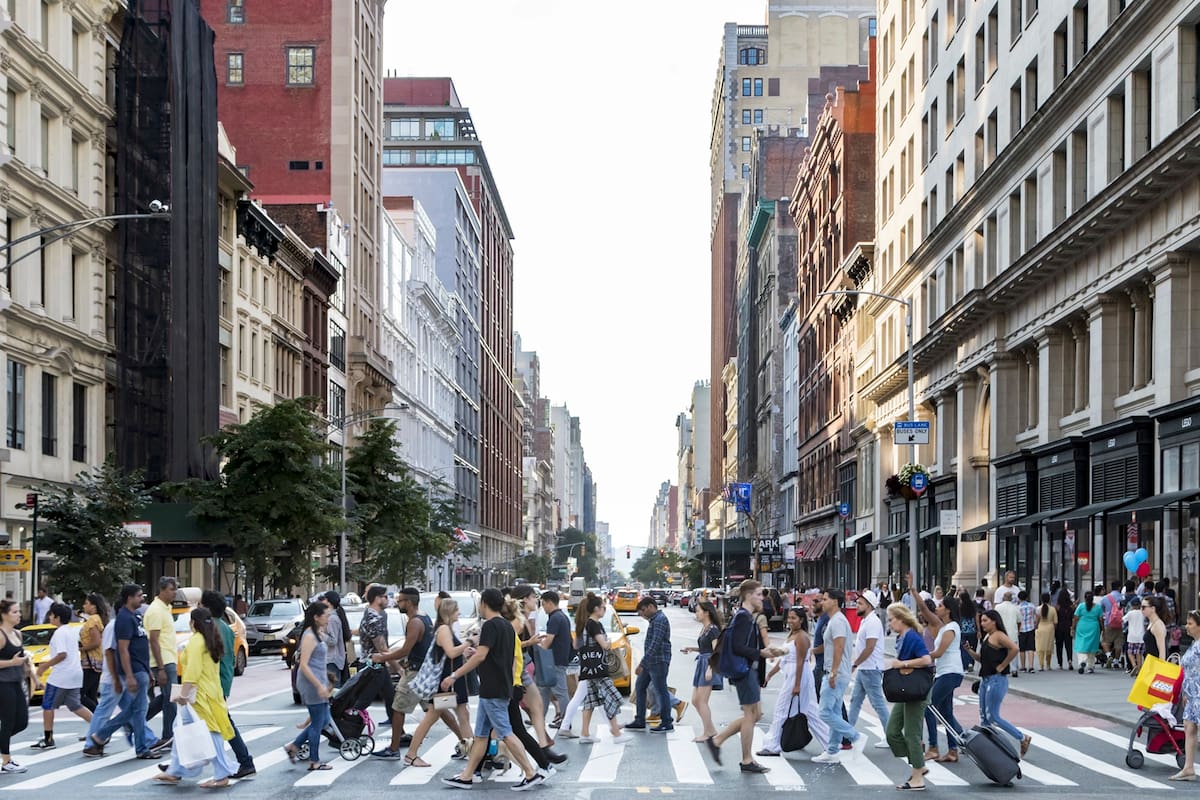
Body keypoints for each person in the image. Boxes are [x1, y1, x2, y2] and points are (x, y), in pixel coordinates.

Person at [440, 588, 543, 790]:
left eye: (480, 603)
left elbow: (481, 656)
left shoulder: (490, 626)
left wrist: (454, 675)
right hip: (498, 687)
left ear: (484, 604)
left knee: (506, 733)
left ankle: (531, 773)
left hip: (493, 689)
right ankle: (467, 775)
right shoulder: (506, 626)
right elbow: (500, 657)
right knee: (480, 736)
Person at [153, 608, 237, 787]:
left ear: (193, 623)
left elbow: (193, 671)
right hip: (210, 693)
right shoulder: (211, 640)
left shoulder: (196, 642)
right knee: (181, 729)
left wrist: (184, 694)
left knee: (210, 733)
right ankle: (175, 770)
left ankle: (221, 774)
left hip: (199, 696)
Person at [703, 580, 778, 773]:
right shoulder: (743, 617)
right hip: (744, 670)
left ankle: (718, 740)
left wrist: (764, 651)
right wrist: (761, 653)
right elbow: (738, 647)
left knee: (755, 714)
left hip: (747, 670)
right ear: (748, 595)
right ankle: (746, 759)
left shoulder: (745, 616)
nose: (763, 598)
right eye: (759, 594)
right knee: (750, 715)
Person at [84, 584, 160, 758]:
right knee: (133, 711)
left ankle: (102, 737)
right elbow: (119, 650)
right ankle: (101, 738)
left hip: (138, 671)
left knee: (135, 710)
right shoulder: (122, 620)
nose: (142, 599)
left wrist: (147, 670)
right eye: (139, 596)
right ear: (129, 598)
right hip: (128, 673)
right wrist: (126, 677)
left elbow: (140, 646)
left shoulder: (135, 617)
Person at [403, 597, 474, 768]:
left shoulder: (445, 629)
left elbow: (448, 654)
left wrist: (465, 651)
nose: (460, 613)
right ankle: (411, 755)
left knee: (463, 715)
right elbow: (450, 653)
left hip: (451, 680)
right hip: (446, 681)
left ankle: (473, 754)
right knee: (432, 717)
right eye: (457, 610)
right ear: (450, 612)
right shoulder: (443, 629)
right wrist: (468, 642)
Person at [759, 606, 829, 756]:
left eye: (793, 618)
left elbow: (800, 662)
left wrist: (796, 685)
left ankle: (772, 745)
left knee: (781, 709)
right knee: (810, 711)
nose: (790, 621)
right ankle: (831, 743)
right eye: (789, 618)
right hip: (793, 674)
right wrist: (770, 674)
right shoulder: (792, 634)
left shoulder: (802, 637)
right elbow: (784, 659)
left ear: (801, 620)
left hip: (798, 675)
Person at [200, 591, 256, 779]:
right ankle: (181, 765)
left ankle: (245, 761)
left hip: (213, 681)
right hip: (222, 679)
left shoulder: (211, 628)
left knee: (222, 723)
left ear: (207, 607)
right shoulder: (224, 626)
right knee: (206, 722)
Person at [966, 609, 1031, 756]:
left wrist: (1003, 665)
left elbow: (1014, 648)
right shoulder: (988, 637)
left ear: (994, 621)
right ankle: (986, 747)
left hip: (996, 680)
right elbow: (982, 659)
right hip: (985, 679)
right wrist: (969, 651)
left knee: (993, 716)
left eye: (985, 620)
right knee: (984, 717)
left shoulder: (999, 635)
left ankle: (1022, 737)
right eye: (981, 621)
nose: (982, 624)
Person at [510, 587, 564, 761]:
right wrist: (529, 642)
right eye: (534, 598)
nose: (536, 601)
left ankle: (544, 746)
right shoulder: (518, 621)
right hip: (516, 670)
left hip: (522, 668)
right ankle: (492, 752)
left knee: (537, 706)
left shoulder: (524, 618)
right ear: (524, 600)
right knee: (502, 717)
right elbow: (509, 645)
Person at [811, 588, 865, 763]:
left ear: (834, 601)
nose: (822, 602)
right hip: (836, 671)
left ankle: (855, 736)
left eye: (825, 599)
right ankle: (832, 750)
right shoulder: (836, 620)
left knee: (825, 712)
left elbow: (839, 647)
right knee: (834, 711)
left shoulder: (838, 622)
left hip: (835, 672)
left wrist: (833, 672)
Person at [883, 603, 933, 791]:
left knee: (912, 733)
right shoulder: (902, 637)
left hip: (917, 690)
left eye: (891, 619)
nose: (890, 623)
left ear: (901, 618)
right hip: (907, 690)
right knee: (892, 732)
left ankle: (918, 776)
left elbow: (927, 660)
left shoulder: (911, 636)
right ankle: (919, 763)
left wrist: (901, 664)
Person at [30, 602, 92, 749]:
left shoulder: (59, 633)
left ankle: (48, 739)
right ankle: (100, 730)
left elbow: (62, 654)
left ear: (57, 617)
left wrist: (45, 666)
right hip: (75, 674)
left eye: (51, 615)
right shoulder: (70, 631)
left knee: (47, 705)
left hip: (61, 675)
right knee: (75, 705)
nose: (50, 617)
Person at [574, 595, 633, 745]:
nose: (604, 610)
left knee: (591, 701)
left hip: (588, 668)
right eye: (603, 607)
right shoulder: (595, 624)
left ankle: (585, 733)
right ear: (596, 609)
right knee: (610, 698)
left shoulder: (584, 624)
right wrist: (609, 642)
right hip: (599, 668)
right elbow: (604, 645)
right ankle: (616, 732)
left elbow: (576, 645)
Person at [285, 601, 334, 771]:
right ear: (316, 617)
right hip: (311, 683)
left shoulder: (317, 633)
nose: (329, 618)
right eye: (326, 615)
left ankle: (294, 746)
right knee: (318, 722)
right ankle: (314, 760)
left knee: (324, 720)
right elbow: (304, 665)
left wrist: (325, 683)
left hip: (319, 681)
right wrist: (319, 686)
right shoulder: (309, 636)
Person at [916, 593, 964, 763]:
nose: (937, 608)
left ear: (948, 610)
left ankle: (933, 747)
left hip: (951, 672)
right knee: (946, 712)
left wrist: (918, 659)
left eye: (941, 606)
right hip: (945, 672)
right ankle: (952, 750)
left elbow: (939, 652)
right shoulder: (944, 627)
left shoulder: (952, 627)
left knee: (928, 705)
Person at [626, 596, 683, 733]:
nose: (642, 614)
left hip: (658, 661)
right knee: (640, 686)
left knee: (661, 690)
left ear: (651, 606)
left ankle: (666, 721)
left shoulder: (660, 620)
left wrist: (642, 663)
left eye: (643, 610)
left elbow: (655, 644)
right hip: (652, 661)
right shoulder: (654, 620)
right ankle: (640, 719)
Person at [846, 588, 891, 739]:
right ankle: (848, 734)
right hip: (865, 668)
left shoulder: (873, 621)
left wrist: (855, 664)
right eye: (857, 603)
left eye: (860, 603)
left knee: (877, 704)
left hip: (870, 668)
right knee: (855, 701)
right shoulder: (867, 620)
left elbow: (870, 647)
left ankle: (891, 736)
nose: (857, 606)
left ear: (869, 605)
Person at [679, 600, 723, 742]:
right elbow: (706, 648)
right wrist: (692, 649)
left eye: (698, 611)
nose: (696, 613)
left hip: (709, 664)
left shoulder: (713, 629)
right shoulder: (705, 628)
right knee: (695, 700)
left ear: (706, 613)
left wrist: (710, 669)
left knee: (702, 701)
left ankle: (707, 732)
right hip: (703, 663)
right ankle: (710, 729)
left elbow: (716, 651)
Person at [144, 576, 180, 748]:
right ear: (163, 590)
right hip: (163, 661)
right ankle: (168, 736)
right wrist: (160, 668)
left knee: (166, 698)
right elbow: (154, 640)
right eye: (172, 589)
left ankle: (137, 722)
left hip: (169, 658)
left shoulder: (166, 608)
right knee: (171, 699)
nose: (175, 592)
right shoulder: (156, 610)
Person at [0, 599, 33, 773]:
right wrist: (11, 662)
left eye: (18, 611)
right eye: (14, 612)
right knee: (7, 721)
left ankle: (3, 746)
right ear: (4, 615)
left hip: (17, 680)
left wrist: (28, 670)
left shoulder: (18, 634)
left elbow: (21, 659)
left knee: (22, 721)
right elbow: (12, 660)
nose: (19, 614)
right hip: (2, 683)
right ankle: (6, 762)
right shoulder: (0, 635)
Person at [533, 591, 573, 726]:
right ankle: (539, 720)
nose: (543, 608)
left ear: (550, 603)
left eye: (543, 604)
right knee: (543, 692)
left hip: (554, 662)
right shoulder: (562, 617)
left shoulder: (555, 618)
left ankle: (566, 722)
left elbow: (549, 640)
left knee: (561, 692)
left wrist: (539, 654)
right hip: (557, 660)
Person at [358, 585, 397, 718]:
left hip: (377, 663)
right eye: (385, 597)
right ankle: (346, 728)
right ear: (377, 598)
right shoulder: (373, 618)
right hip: (373, 665)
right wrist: (398, 668)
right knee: (363, 700)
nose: (388, 600)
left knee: (390, 697)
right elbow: (382, 648)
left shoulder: (373, 614)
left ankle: (399, 732)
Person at [1169, 610, 1200, 781]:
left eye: (1190, 624)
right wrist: (1186, 692)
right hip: (1192, 693)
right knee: (1189, 728)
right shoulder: (1194, 643)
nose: (1187, 626)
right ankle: (1189, 767)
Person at [79, 593, 109, 710]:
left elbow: (96, 641)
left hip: (90, 662)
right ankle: (99, 722)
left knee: (79, 695)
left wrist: (81, 649)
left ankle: (100, 717)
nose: (84, 606)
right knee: (91, 695)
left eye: (86, 603)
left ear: (93, 606)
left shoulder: (93, 620)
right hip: (96, 660)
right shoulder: (97, 619)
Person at [1072, 590, 1104, 673]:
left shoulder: (1081, 606)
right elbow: (1101, 619)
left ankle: (1082, 661)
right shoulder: (1097, 607)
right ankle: (1090, 666)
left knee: (1081, 645)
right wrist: (1103, 629)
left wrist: (1073, 628)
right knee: (1092, 647)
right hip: (1094, 627)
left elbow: (1075, 618)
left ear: (1085, 598)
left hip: (1082, 627)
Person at [322, 590, 349, 688]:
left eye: (324, 599)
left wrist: (321, 634)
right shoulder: (331, 617)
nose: (322, 601)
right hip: (331, 659)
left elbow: (333, 641)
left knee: (332, 689)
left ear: (329, 602)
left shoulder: (332, 619)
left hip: (332, 659)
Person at [1100, 580, 1126, 670]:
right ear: (1119, 588)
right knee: (1118, 643)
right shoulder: (1123, 597)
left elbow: (1101, 610)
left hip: (1109, 623)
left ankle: (1108, 655)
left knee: (1105, 641)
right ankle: (1116, 661)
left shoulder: (1105, 598)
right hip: (1120, 623)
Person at [994, 591, 1021, 677]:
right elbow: (1019, 621)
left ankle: (1000, 667)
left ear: (1003, 597)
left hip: (1001, 632)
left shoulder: (998, 607)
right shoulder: (1016, 608)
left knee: (1000, 651)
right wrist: (1018, 630)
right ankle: (1014, 669)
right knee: (1013, 650)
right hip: (1012, 632)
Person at [1035, 593, 1057, 672]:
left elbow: (1036, 620)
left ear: (1041, 599)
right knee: (1049, 648)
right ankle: (1048, 665)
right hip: (1050, 629)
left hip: (1040, 628)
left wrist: (1036, 627)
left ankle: (1041, 666)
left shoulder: (1038, 608)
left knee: (1040, 648)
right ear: (1049, 599)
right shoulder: (1053, 609)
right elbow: (1055, 622)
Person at [1143, 595, 1169, 663]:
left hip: (1155, 665)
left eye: (1144, 607)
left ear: (1152, 608)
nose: (1141, 609)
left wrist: (1159, 670)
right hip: (1150, 663)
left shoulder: (1157, 625)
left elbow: (1162, 651)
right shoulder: (1152, 623)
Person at [1054, 588, 1075, 670]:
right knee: (1068, 645)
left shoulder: (1057, 607)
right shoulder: (1071, 607)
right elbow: (1073, 617)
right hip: (1068, 627)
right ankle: (1069, 660)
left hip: (1059, 628)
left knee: (1059, 646)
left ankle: (1060, 663)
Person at [1126, 597, 1147, 675]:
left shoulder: (1130, 613)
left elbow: (1123, 620)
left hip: (1131, 636)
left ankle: (1134, 665)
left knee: (1130, 652)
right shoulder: (1143, 613)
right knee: (1139, 653)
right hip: (1141, 636)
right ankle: (1139, 669)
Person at [959, 591, 978, 673]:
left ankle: (965, 666)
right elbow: (976, 618)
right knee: (972, 647)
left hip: (963, 630)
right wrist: (978, 630)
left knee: (964, 648)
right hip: (972, 630)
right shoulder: (973, 606)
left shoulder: (960, 607)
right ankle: (971, 663)